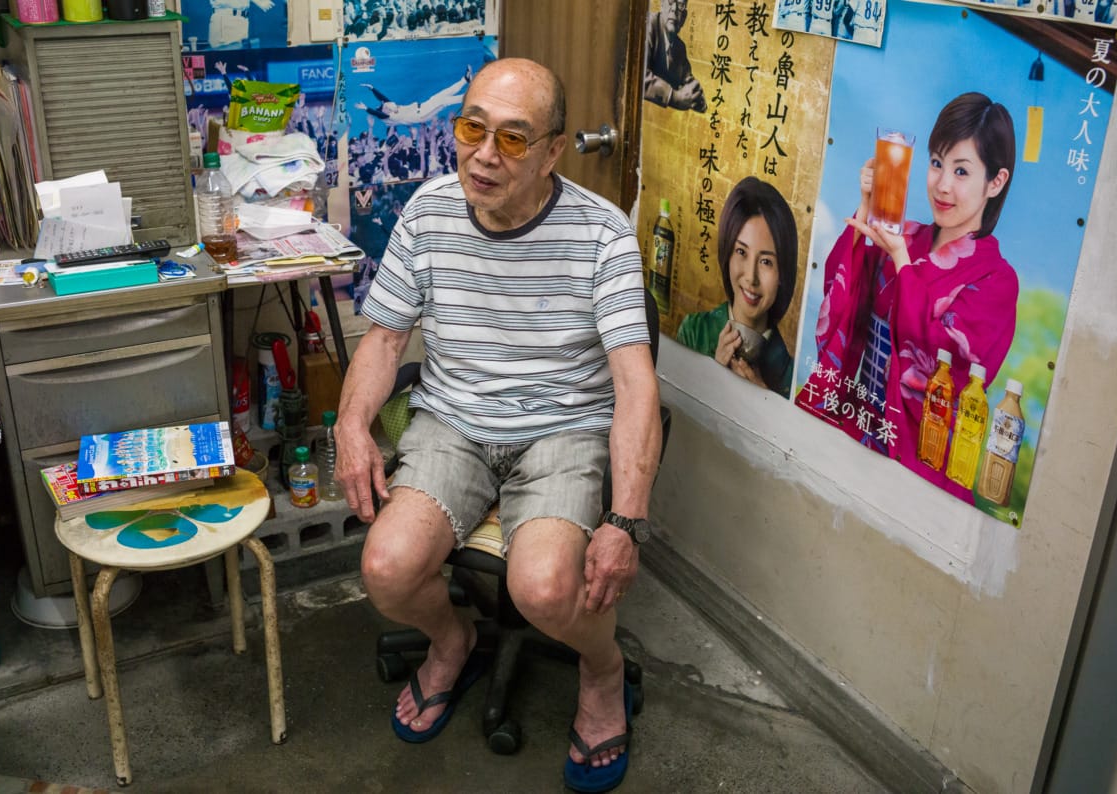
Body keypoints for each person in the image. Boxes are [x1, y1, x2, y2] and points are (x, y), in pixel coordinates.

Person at [335, 57, 662, 793]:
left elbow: (634, 382)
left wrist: (628, 520)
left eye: (514, 139)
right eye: (472, 128)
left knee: (547, 590)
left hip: (561, 430)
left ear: (553, 151)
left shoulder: (601, 233)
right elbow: (385, 339)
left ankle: (603, 671)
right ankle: (453, 641)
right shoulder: (427, 213)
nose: (484, 154)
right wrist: (351, 425)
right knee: (386, 570)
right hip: (453, 422)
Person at [795, 92, 1018, 502]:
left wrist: (902, 264)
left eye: (962, 171)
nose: (943, 185)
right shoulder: (907, 236)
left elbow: (944, 365)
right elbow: (842, 295)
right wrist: (866, 210)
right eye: (936, 163)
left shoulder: (997, 280)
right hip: (857, 424)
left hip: (914, 464)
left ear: (996, 181)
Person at [676, 177, 798, 398]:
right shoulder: (695, 332)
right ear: (727, 254)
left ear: (783, 274)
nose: (751, 278)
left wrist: (767, 402)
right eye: (741, 252)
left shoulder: (791, 376)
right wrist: (713, 373)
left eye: (766, 262)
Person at [643, 0, 707, 112]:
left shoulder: (679, 47)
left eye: (681, 5)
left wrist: (697, 96)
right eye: (671, 1)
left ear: (684, 17)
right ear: (662, 5)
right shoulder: (648, 24)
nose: (674, 9)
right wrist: (674, 97)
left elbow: (687, 78)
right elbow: (639, 75)